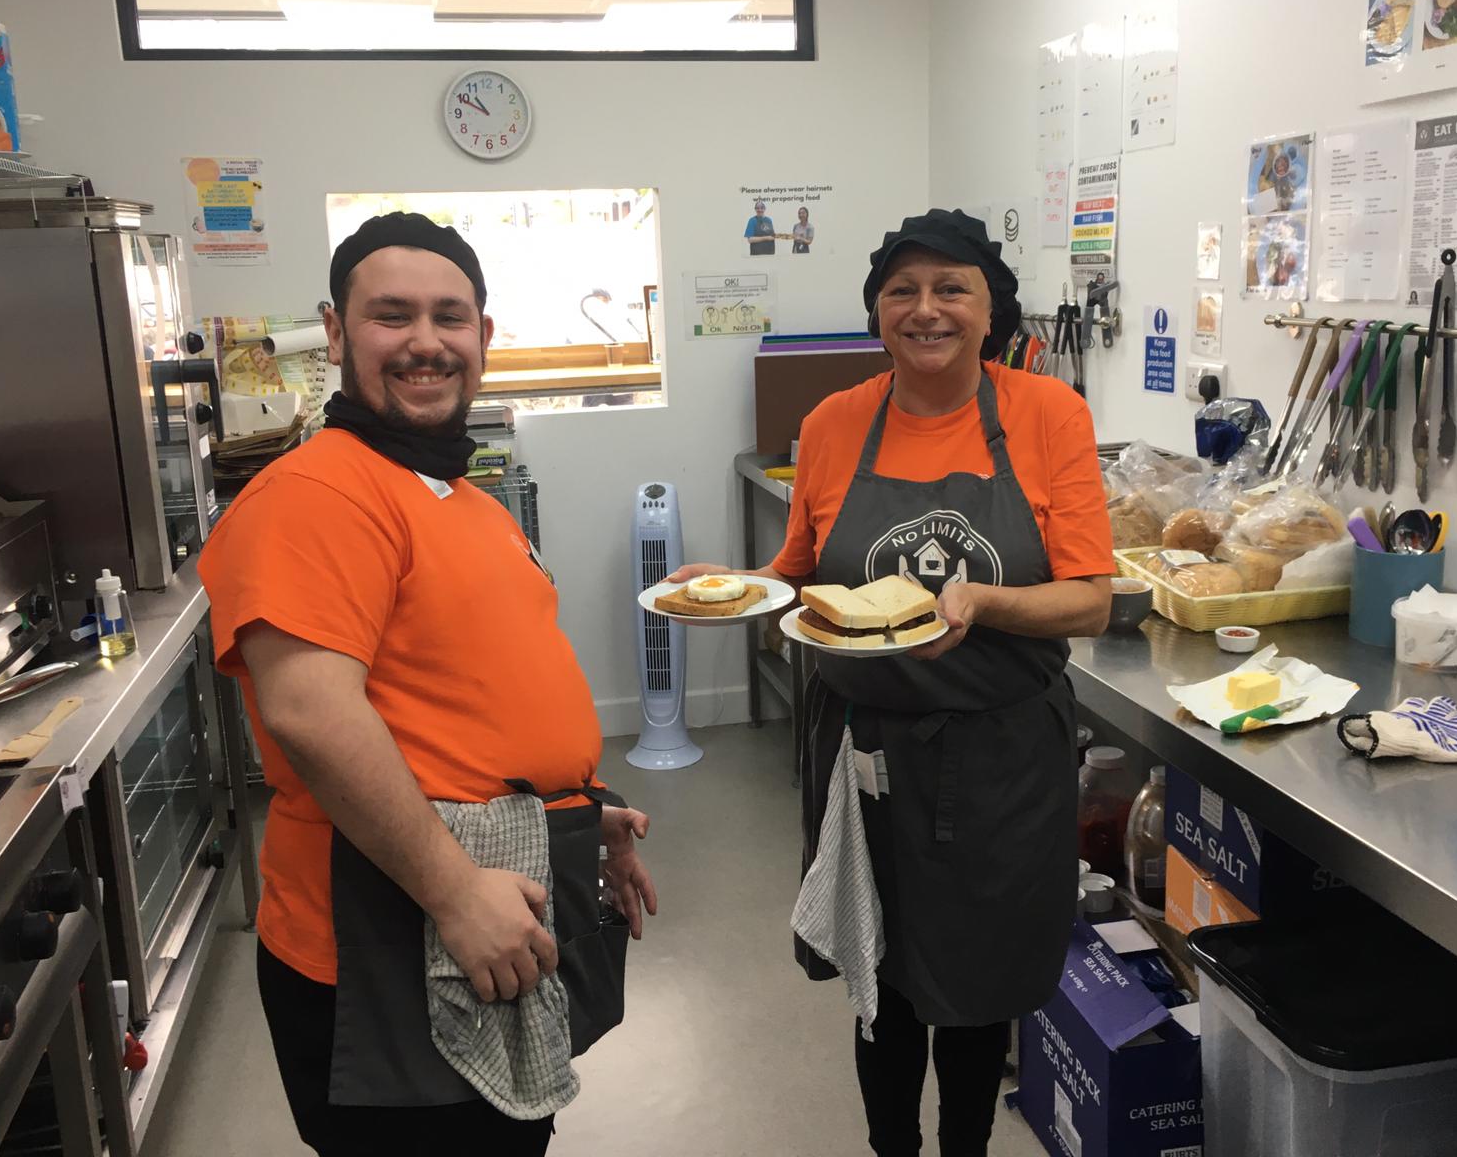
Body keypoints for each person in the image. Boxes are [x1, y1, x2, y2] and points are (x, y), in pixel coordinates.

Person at [198, 212, 657, 1157]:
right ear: (336, 332)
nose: (425, 342)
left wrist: (577, 812)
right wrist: (453, 894)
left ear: (483, 336)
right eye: (391, 315)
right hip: (384, 943)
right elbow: (312, 715)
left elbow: (460, 694)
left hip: (494, 891)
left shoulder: (456, 494)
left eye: (450, 317)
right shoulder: (316, 494)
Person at [673, 209, 1113, 1155]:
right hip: (863, 750)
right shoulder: (834, 423)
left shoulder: (1049, 415)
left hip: (1000, 759)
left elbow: (1088, 600)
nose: (926, 309)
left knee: (977, 985)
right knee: (879, 975)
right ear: (877, 311)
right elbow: (797, 576)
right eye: (901, 290)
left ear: (991, 311)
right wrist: (727, 587)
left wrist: (983, 604)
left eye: (951, 288)